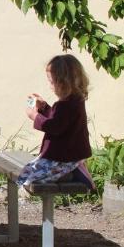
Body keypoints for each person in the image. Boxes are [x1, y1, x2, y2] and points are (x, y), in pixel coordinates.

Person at [19, 53, 95, 188]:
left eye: (52, 82)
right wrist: (44, 107)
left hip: (63, 157)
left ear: (63, 82)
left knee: (28, 178)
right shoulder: (74, 101)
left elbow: (55, 126)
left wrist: (34, 116)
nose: (50, 86)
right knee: (28, 171)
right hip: (69, 155)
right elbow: (60, 121)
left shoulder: (65, 105)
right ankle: (72, 170)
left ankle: (72, 174)